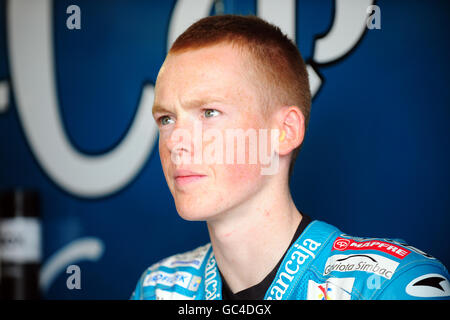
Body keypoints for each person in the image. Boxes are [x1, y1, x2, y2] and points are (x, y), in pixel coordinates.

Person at [131, 15, 449, 300]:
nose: (176, 143)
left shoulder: (387, 286)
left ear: (284, 131)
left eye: (209, 112)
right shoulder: (160, 289)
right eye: (166, 119)